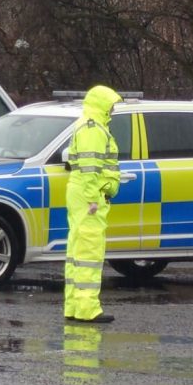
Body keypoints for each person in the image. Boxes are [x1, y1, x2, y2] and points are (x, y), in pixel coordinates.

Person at [64, 85, 123, 323]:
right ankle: (88, 308)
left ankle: (75, 306)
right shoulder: (93, 128)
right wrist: (92, 199)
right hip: (89, 194)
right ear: (102, 104)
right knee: (89, 250)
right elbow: (91, 168)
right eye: (111, 104)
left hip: (81, 191)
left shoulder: (86, 124)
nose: (113, 109)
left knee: (77, 251)